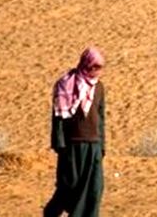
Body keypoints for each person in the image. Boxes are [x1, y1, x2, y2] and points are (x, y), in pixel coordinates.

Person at [43, 47, 106, 217]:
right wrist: (59, 143)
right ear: (86, 64)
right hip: (71, 146)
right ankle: (50, 213)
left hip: (93, 146)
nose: (97, 71)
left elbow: (101, 118)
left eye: (99, 67)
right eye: (94, 67)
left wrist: (102, 146)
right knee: (69, 186)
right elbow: (58, 117)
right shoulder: (65, 85)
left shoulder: (99, 87)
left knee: (95, 188)